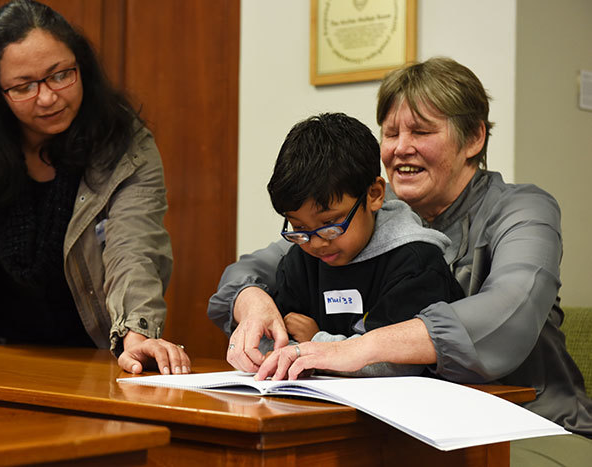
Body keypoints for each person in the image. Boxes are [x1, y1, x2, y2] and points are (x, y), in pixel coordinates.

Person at [208, 57, 592, 446]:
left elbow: (510, 311)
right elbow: (256, 269)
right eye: (390, 134)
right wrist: (253, 302)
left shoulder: (524, 209)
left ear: (474, 138)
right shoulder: (372, 209)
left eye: (421, 131)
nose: (400, 149)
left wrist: (355, 349)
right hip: (415, 426)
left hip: (534, 425)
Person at [0, 0, 189, 375]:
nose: (48, 97)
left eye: (60, 75)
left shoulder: (122, 144)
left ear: (80, 65)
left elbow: (134, 248)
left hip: (89, 356)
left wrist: (137, 332)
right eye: (23, 86)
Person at [263, 112, 463, 377]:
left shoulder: (415, 261)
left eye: (331, 224)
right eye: (299, 228)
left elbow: (396, 362)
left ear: (375, 195)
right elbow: (277, 342)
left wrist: (315, 345)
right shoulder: (300, 261)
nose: (317, 243)